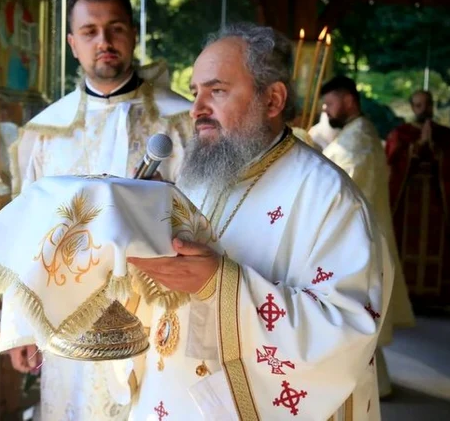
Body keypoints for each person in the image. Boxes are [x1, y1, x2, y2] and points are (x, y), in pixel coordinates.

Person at [125, 24, 393, 420]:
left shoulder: (329, 198)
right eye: (196, 91)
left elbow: (348, 330)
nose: (197, 108)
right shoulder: (198, 176)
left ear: (272, 99)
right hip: (172, 398)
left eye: (216, 91)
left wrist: (221, 286)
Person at [0, 0, 193, 419]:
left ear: (133, 35)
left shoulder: (180, 124)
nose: (103, 42)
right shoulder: (45, 133)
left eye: (114, 28)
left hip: (157, 316)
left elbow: (206, 225)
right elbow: (25, 235)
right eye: (89, 31)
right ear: (72, 44)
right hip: (69, 322)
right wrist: (20, 328)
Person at [319, 76, 415, 399]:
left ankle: (366, 384)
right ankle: (377, 381)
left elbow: (336, 183)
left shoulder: (357, 140)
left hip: (354, 236)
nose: (326, 110)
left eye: (330, 104)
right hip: (361, 234)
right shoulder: (355, 134)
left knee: (354, 309)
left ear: (348, 101)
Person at [386, 90, 450, 309]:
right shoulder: (400, 134)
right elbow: (392, 166)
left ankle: (434, 297)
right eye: (419, 105)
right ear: (412, 107)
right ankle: (404, 297)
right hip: (408, 200)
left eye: (427, 104)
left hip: (436, 203)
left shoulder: (445, 136)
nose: (424, 109)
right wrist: (417, 146)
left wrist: (436, 150)